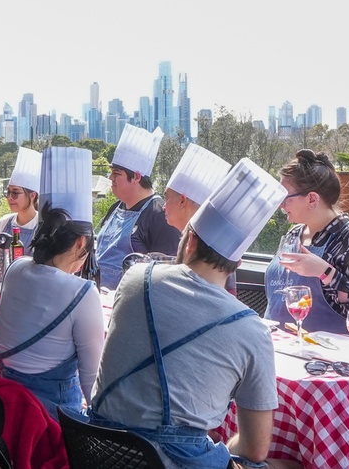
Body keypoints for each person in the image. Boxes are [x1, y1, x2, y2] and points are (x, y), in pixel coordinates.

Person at [91, 158, 300, 469]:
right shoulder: (251, 329)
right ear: (237, 265)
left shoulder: (135, 278)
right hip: (170, 462)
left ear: (189, 239)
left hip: (99, 449)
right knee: (294, 464)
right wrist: (221, 447)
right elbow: (254, 450)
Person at [0, 146, 104, 421]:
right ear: (80, 243)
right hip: (49, 425)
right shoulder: (84, 293)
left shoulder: (15, 269)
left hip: (2, 415)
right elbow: (92, 385)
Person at [264, 150, 349, 334]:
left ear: (312, 198)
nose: (280, 204)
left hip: (327, 358)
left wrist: (326, 272)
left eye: (285, 197)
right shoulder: (293, 234)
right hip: (279, 349)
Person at [95, 125, 181, 290]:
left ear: (136, 177)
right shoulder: (115, 208)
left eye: (117, 174)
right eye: (111, 173)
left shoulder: (160, 216)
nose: (111, 178)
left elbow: (166, 276)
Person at [161, 143, 236, 295]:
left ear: (182, 201)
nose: (163, 206)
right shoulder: (185, 238)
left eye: (166, 198)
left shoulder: (213, 250)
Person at [0, 147, 41, 255]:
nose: (10, 197)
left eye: (15, 193)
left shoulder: (43, 227)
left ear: (32, 195)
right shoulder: (3, 224)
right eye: (8, 192)